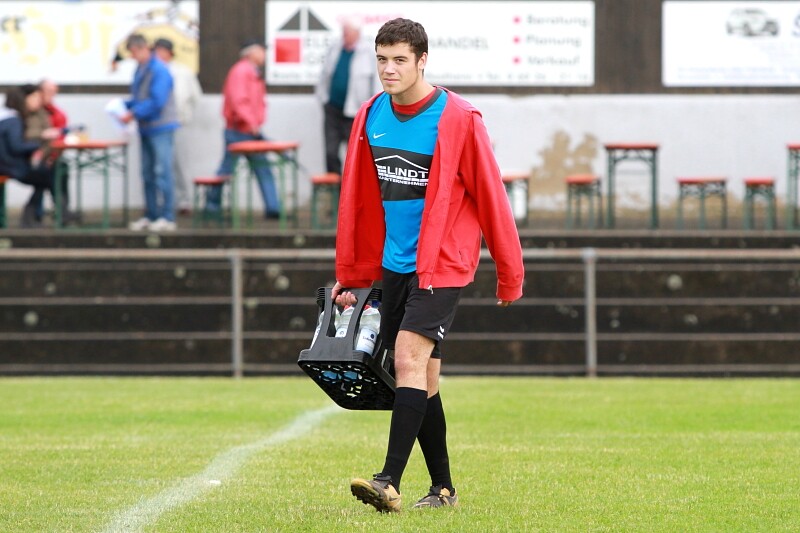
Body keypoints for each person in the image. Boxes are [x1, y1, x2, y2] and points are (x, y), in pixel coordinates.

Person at [332, 18, 524, 512]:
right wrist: (352, 274)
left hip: (442, 264)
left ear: (422, 61)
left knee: (407, 359)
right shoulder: (370, 114)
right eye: (382, 59)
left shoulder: (458, 118)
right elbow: (356, 201)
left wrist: (509, 274)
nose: (389, 69)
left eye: (400, 60)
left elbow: (492, 198)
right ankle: (443, 490)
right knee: (424, 378)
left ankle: (387, 481)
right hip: (394, 265)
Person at [208, 39, 280, 219]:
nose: (264, 55)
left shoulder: (252, 72)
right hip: (238, 130)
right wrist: (251, 122)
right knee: (226, 170)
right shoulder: (241, 72)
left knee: (263, 168)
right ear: (252, 52)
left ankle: (273, 208)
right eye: (262, 51)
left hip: (250, 130)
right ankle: (212, 206)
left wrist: (256, 123)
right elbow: (239, 101)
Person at [121, 33, 179, 232]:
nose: (133, 57)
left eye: (133, 52)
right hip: (146, 127)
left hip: (161, 127)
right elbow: (140, 97)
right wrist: (125, 106)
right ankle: (151, 214)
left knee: (163, 171)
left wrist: (134, 112)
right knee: (147, 173)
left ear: (142, 48)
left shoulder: (159, 69)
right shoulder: (142, 68)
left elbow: (157, 101)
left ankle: (167, 216)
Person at [315, 18, 378, 175]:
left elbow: (375, 83)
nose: (344, 35)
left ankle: (351, 186)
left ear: (357, 33)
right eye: (343, 32)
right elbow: (324, 76)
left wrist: (371, 109)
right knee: (330, 152)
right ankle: (334, 186)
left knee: (354, 153)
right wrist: (323, 99)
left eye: (348, 32)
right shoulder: (335, 49)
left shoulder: (368, 52)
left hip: (355, 112)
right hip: (333, 108)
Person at [153, 38, 203, 214]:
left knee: (180, 163)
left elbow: (195, 97)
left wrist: (185, 116)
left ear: (169, 52)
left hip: (178, 124)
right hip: (157, 125)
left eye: (162, 50)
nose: (159, 54)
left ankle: (185, 200)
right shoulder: (151, 70)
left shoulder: (183, 72)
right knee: (159, 164)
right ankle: (162, 200)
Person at [0, 85, 60, 228]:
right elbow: (16, 146)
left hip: (7, 164)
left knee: (45, 175)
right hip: (9, 166)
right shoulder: (13, 120)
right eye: (34, 97)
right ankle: (34, 216)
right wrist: (37, 144)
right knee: (49, 175)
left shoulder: (6, 116)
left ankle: (31, 217)